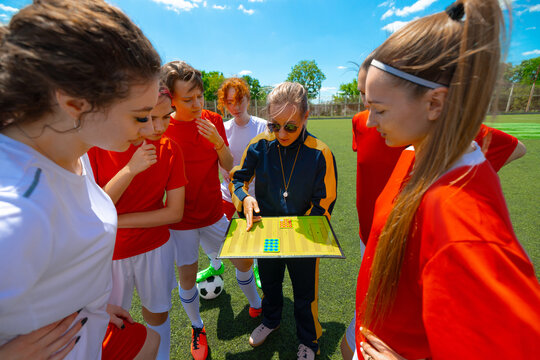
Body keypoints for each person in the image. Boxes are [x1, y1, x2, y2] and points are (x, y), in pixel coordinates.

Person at [354, 1, 540, 359]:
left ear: (435, 104)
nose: (371, 124)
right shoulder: (416, 149)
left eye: (380, 109)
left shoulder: (461, 218)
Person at [0, 0, 163, 359]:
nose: (150, 130)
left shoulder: (70, 146)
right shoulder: (18, 212)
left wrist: (92, 305)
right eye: (139, 117)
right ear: (75, 103)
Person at [160, 61, 262, 360]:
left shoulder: (213, 121)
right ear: (171, 100)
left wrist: (219, 143)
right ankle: (196, 327)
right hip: (180, 223)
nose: (196, 104)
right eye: (187, 100)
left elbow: (230, 166)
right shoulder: (161, 127)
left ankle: (257, 304)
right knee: (188, 277)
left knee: (244, 261)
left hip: (215, 212)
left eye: (199, 97)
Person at [230, 82, 338, 360]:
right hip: (267, 233)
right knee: (270, 283)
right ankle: (271, 319)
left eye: (290, 126)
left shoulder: (320, 153)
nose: (281, 133)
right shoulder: (259, 144)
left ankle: (309, 340)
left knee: (305, 294)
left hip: (304, 238)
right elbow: (238, 179)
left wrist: (296, 233)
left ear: (306, 116)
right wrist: (245, 200)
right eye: (273, 124)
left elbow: (324, 203)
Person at [88, 87, 187, 360]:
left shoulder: (171, 149)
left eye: (167, 117)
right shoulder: (98, 147)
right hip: (110, 254)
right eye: (148, 118)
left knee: (158, 314)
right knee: (110, 322)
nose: (159, 127)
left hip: (155, 248)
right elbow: (95, 208)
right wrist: (130, 169)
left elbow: (174, 213)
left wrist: (117, 221)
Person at [195, 77, 267, 286]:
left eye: (239, 100)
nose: (235, 107)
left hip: (254, 196)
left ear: (248, 98)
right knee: (210, 230)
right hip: (227, 192)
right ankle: (215, 264)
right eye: (229, 102)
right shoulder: (221, 128)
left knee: (254, 235)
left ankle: (258, 266)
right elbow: (217, 158)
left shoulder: (262, 127)